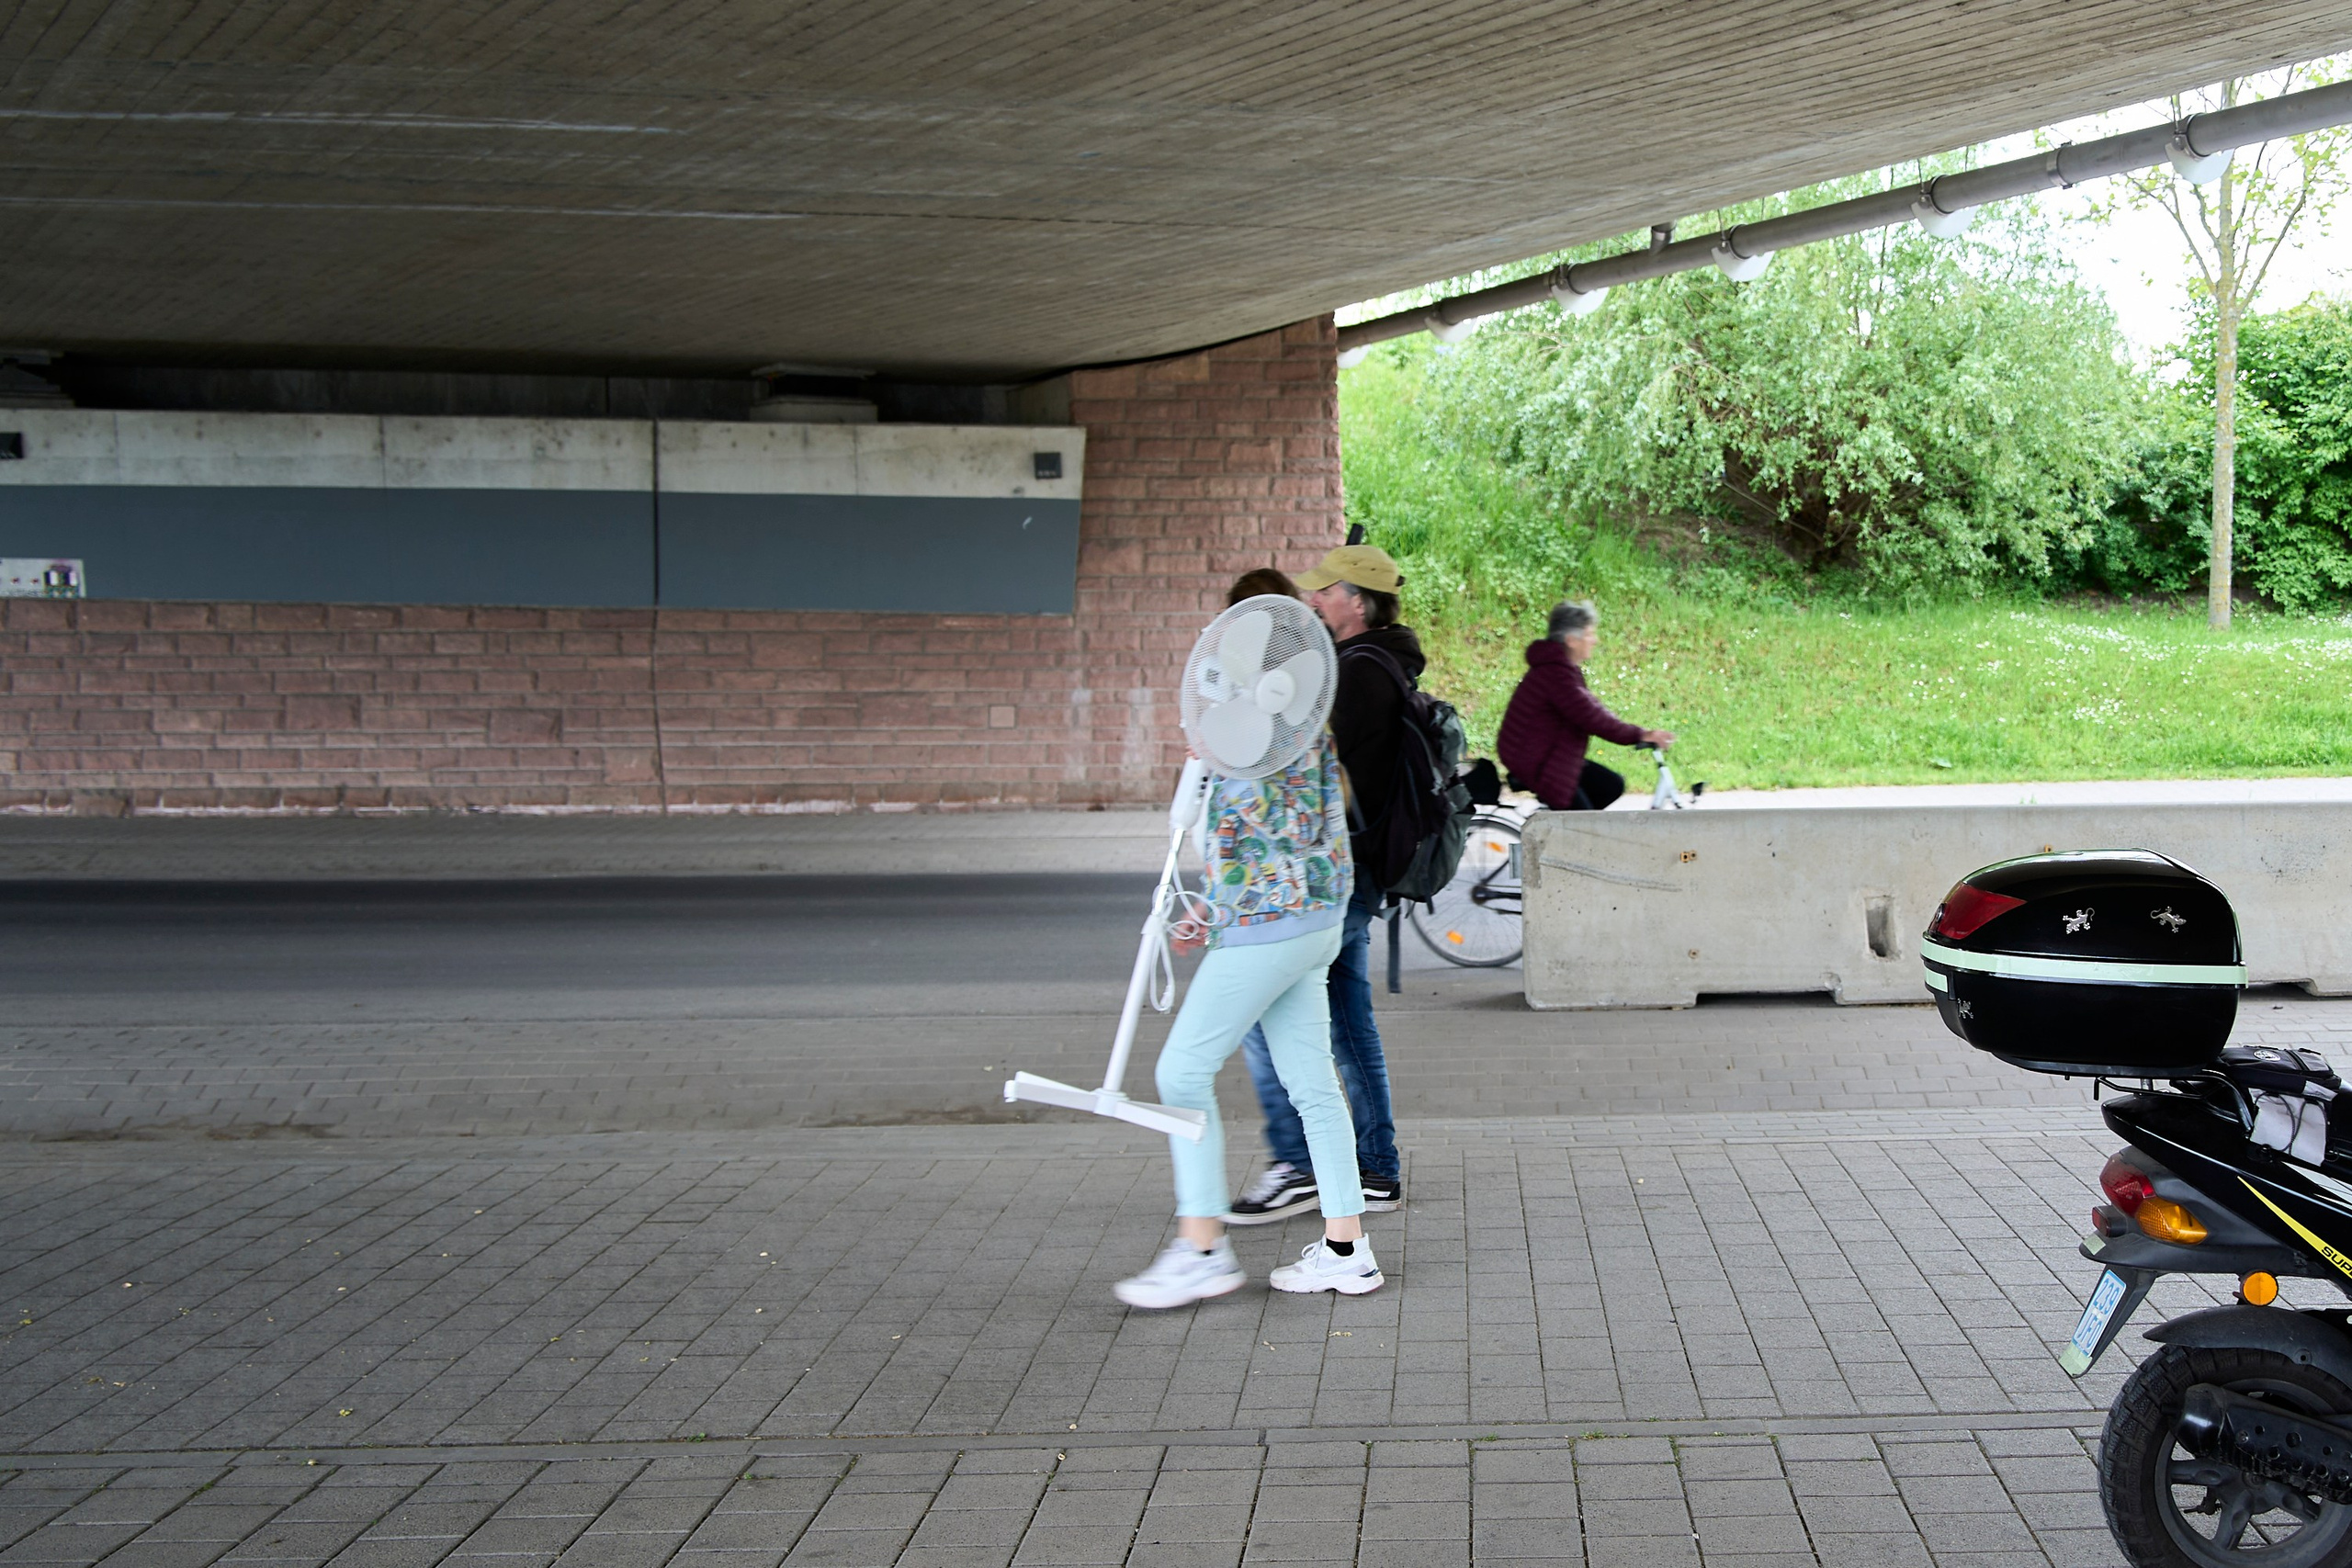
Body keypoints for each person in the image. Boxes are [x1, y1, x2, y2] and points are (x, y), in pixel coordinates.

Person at [1112, 671, 1385, 1308]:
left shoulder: (1257, 744)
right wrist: (1210, 906)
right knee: (1314, 1086)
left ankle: (1202, 1247)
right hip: (1314, 921)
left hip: (1270, 929)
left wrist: (1217, 763)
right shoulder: (1308, 735)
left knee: (1181, 1073)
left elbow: (1272, 833)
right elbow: (1268, 849)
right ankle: (1347, 1251)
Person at [1226, 544, 1411, 1224]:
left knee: (1291, 1018)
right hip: (1348, 872)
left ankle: (1311, 1163)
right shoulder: (1370, 665)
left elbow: (1299, 760)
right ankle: (1370, 1167)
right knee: (1342, 1022)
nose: (1314, 602)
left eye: (1325, 591)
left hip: (1337, 874)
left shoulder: (1360, 675)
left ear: (1356, 602)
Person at [1495, 599, 1675, 812]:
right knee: (1582, 825)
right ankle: (1564, 839)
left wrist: (1638, 733)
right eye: (1590, 634)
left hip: (1550, 756)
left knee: (1611, 785)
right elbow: (1592, 717)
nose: (1595, 640)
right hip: (1538, 763)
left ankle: (1561, 833)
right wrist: (1640, 734)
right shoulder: (1555, 674)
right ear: (1571, 640)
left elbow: (1590, 709)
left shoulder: (1560, 668)